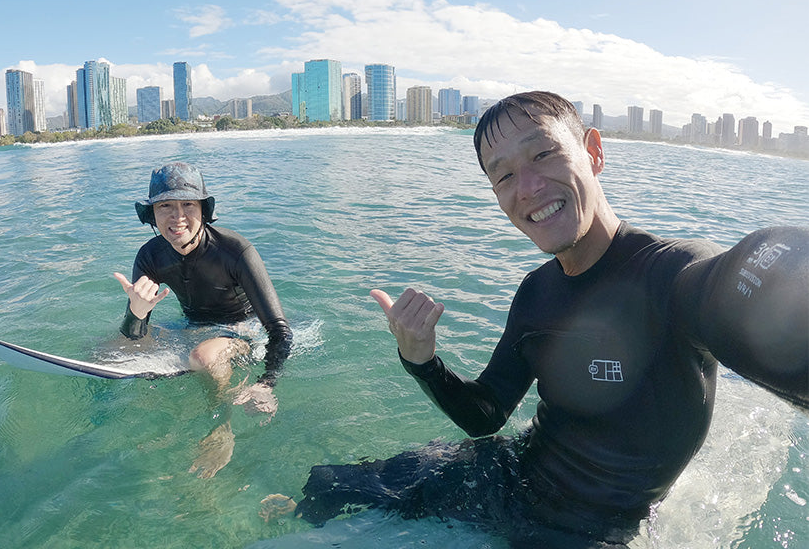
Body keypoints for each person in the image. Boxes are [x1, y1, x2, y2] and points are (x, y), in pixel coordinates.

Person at [289, 91, 808, 546]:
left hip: (586, 529)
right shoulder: (537, 291)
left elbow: (748, 280)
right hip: (508, 473)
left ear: (594, 152)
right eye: (505, 175)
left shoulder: (674, 274)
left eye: (544, 154)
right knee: (325, 486)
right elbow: (485, 414)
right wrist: (421, 361)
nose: (529, 186)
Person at [114, 161, 293, 478]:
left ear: (203, 210)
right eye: (165, 206)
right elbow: (134, 335)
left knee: (203, 356)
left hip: (242, 331)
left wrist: (266, 383)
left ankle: (221, 427)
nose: (177, 217)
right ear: (152, 214)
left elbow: (279, 329)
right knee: (111, 346)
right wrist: (137, 312)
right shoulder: (150, 256)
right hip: (191, 327)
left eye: (188, 205)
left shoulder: (235, 251)